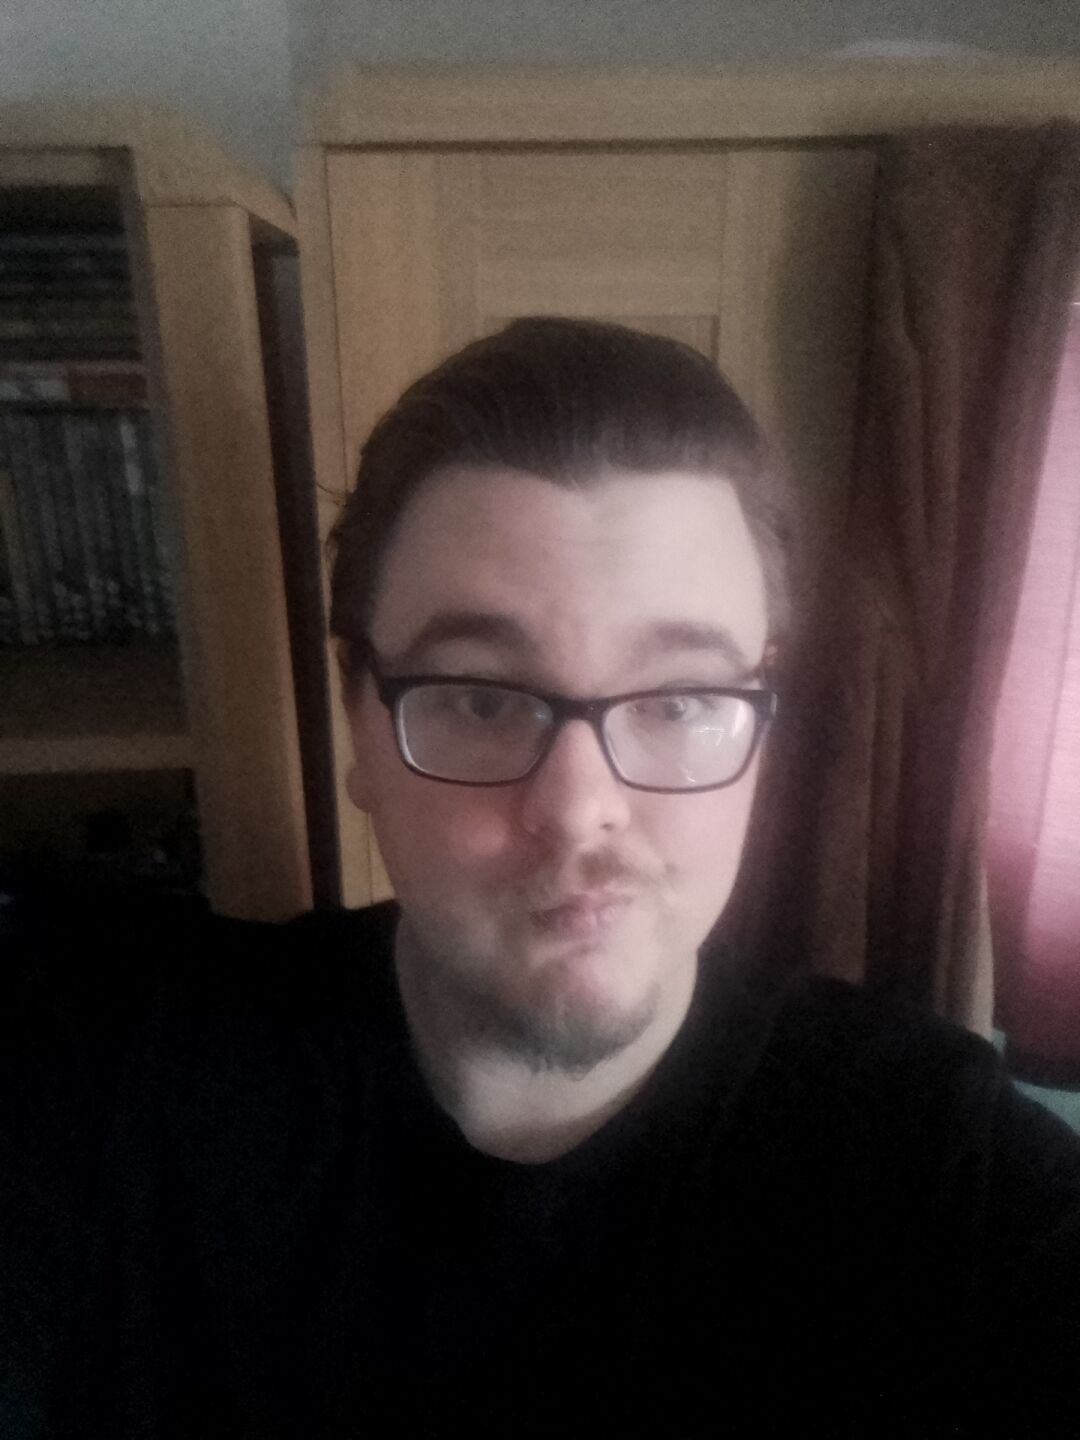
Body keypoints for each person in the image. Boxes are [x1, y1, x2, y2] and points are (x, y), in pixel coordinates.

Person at [2, 318, 1078, 1438]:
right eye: (481, 697)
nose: (575, 808)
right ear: (360, 720)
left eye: (679, 701)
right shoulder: (110, 1084)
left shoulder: (940, 1174)